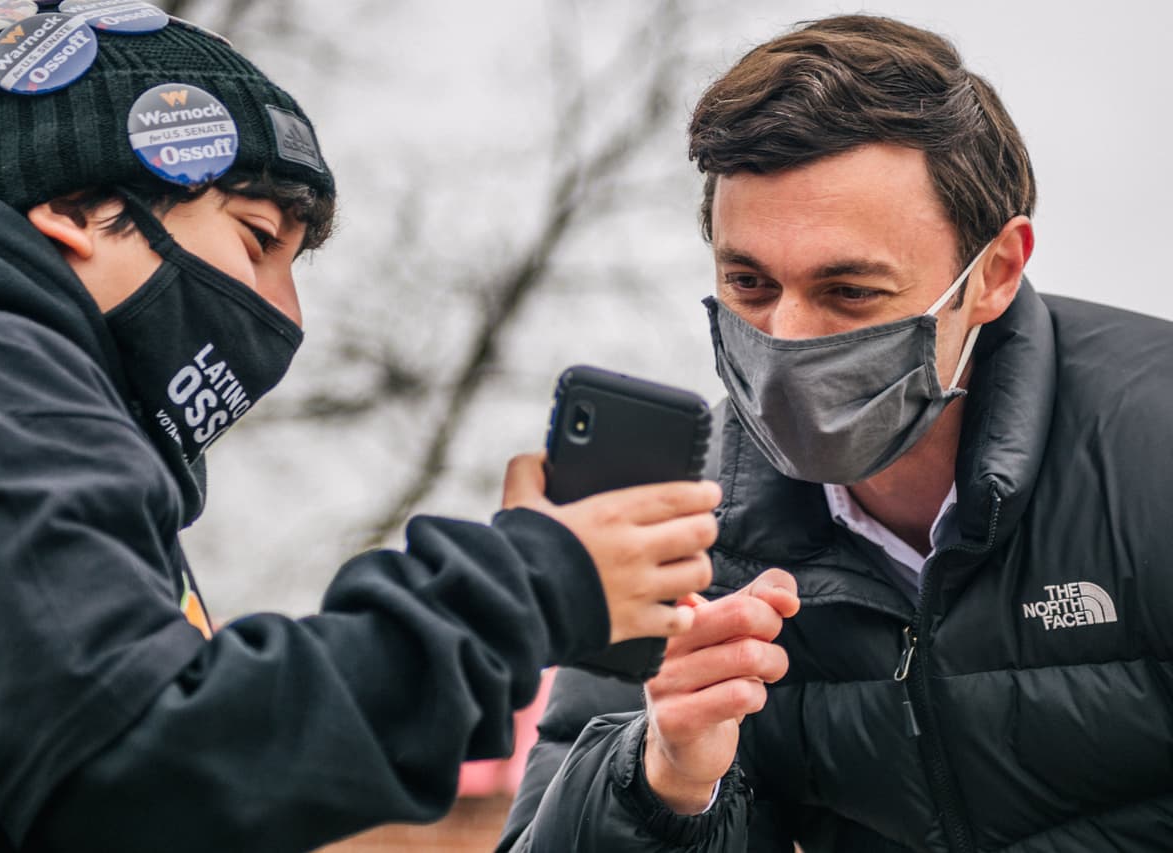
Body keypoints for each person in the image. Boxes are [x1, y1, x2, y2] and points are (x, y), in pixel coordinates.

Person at [0, 5, 722, 852]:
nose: (286, 313)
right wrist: (534, 585)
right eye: (258, 240)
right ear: (74, 207)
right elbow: (146, 768)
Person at [499, 13, 1173, 852]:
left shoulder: (1154, 451)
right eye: (747, 283)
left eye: (849, 291)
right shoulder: (669, 533)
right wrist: (665, 776)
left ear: (995, 272)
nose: (784, 337)